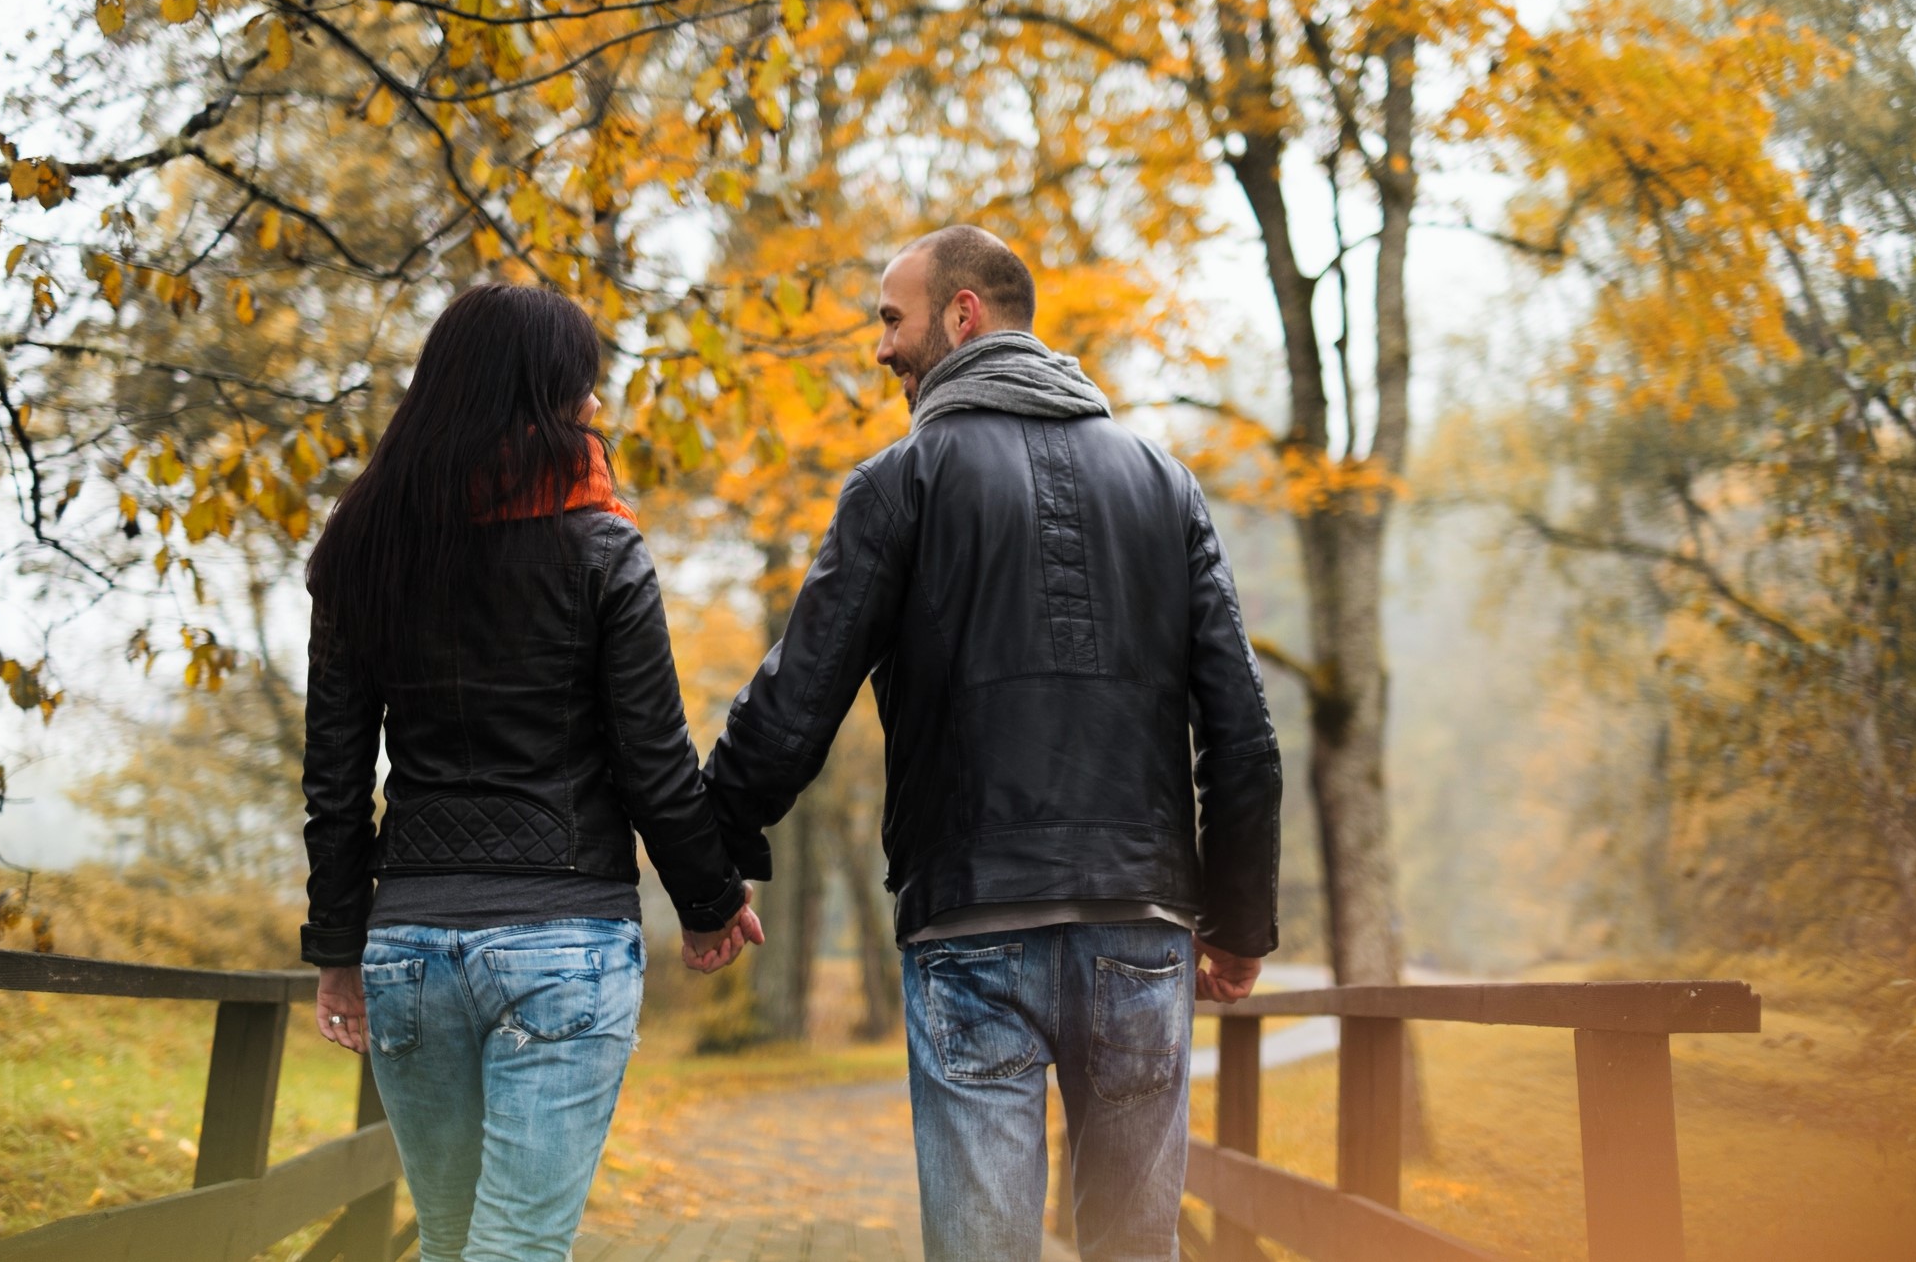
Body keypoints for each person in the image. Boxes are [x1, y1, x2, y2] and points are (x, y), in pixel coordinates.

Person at [702, 226, 1282, 1262]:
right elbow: (1240, 729)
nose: (880, 347)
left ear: (961, 314)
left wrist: (708, 858)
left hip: (972, 927)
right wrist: (1236, 918)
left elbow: (794, 704)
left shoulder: (898, 484)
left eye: (892, 318)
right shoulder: (1162, 483)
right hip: (1137, 930)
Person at [299, 284, 763, 1262]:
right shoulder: (599, 545)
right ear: (549, 398)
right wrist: (711, 897)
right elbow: (651, 756)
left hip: (410, 946)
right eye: (580, 388)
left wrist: (340, 946)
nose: (593, 406)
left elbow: (335, 779)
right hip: (562, 939)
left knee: (452, 1239)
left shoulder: (364, 549)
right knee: (511, 1248)